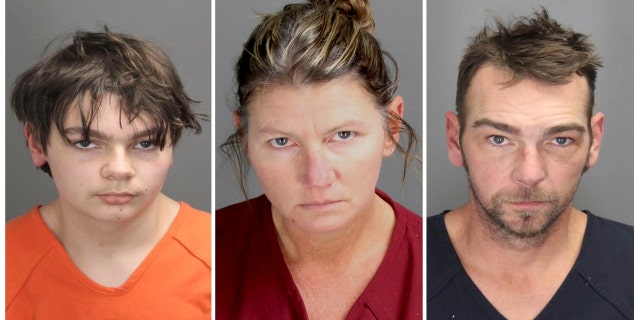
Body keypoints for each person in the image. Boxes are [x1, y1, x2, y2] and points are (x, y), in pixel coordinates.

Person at [216, 0, 422, 318]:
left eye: (342, 135)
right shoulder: (203, 258)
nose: (317, 176)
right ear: (245, 138)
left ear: (391, 128)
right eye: (282, 141)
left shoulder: (434, 265)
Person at [427, 8, 633, 320]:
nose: (529, 174)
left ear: (595, 141)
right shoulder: (408, 264)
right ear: (455, 140)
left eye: (560, 140)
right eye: (498, 139)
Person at [6, 29, 211, 319]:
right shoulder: (8, 263)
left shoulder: (224, 259)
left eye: (144, 143)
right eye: (86, 142)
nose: (119, 169)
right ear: (37, 143)